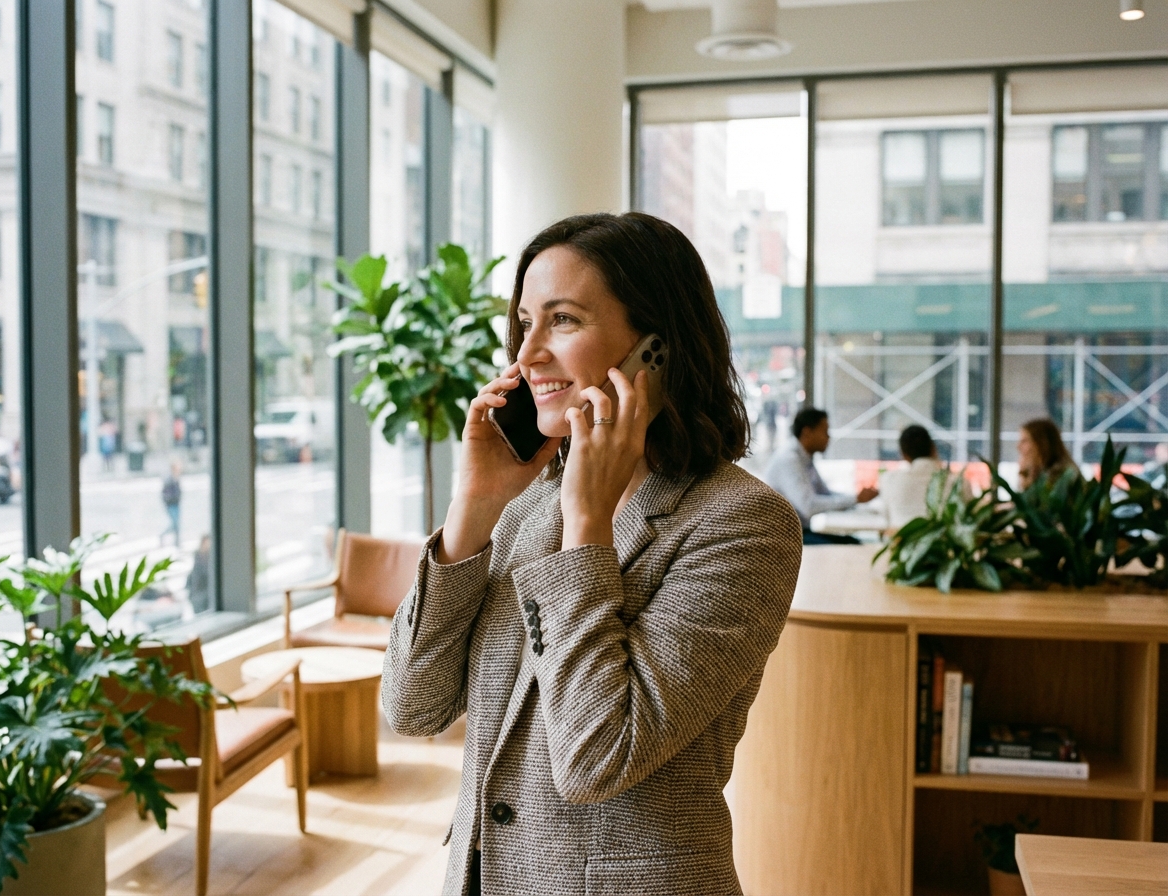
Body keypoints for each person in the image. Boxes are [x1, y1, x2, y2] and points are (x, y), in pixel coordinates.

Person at [382, 213, 802, 896]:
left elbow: (596, 758)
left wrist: (587, 526)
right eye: (524, 322)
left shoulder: (743, 525)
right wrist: (474, 509)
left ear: (655, 350)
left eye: (564, 321)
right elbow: (413, 707)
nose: (527, 355)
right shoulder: (523, 509)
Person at [763, 407, 878, 545]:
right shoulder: (789, 459)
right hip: (783, 538)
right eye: (825, 431)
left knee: (852, 542)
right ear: (807, 432)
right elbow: (808, 506)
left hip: (799, 532)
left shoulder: (804, 458)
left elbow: (826, 494)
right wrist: (855, 499)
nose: (828, 437)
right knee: (851, 545)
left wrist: (858, 499)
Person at [878, 425, 943, 531]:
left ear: (903, 454)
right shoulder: (959, 482)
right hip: (945, 546)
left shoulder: (889, 480)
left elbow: (887, 520)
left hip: (902, 545)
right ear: (933, 448)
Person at [1016, 417, 1078, 491]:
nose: (1018, 446)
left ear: (1041, 444)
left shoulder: (1061, 475)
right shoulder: (1039, 473)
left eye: (1024, 441)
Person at [160, 461, 182, 547]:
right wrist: (169, 500)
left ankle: (177, 542)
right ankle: (162, 535)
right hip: (171, 505)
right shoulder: (169, 480)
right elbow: (165, 493)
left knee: (177, 525)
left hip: (176, 504)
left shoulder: (176, 479)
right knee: (174, 524)